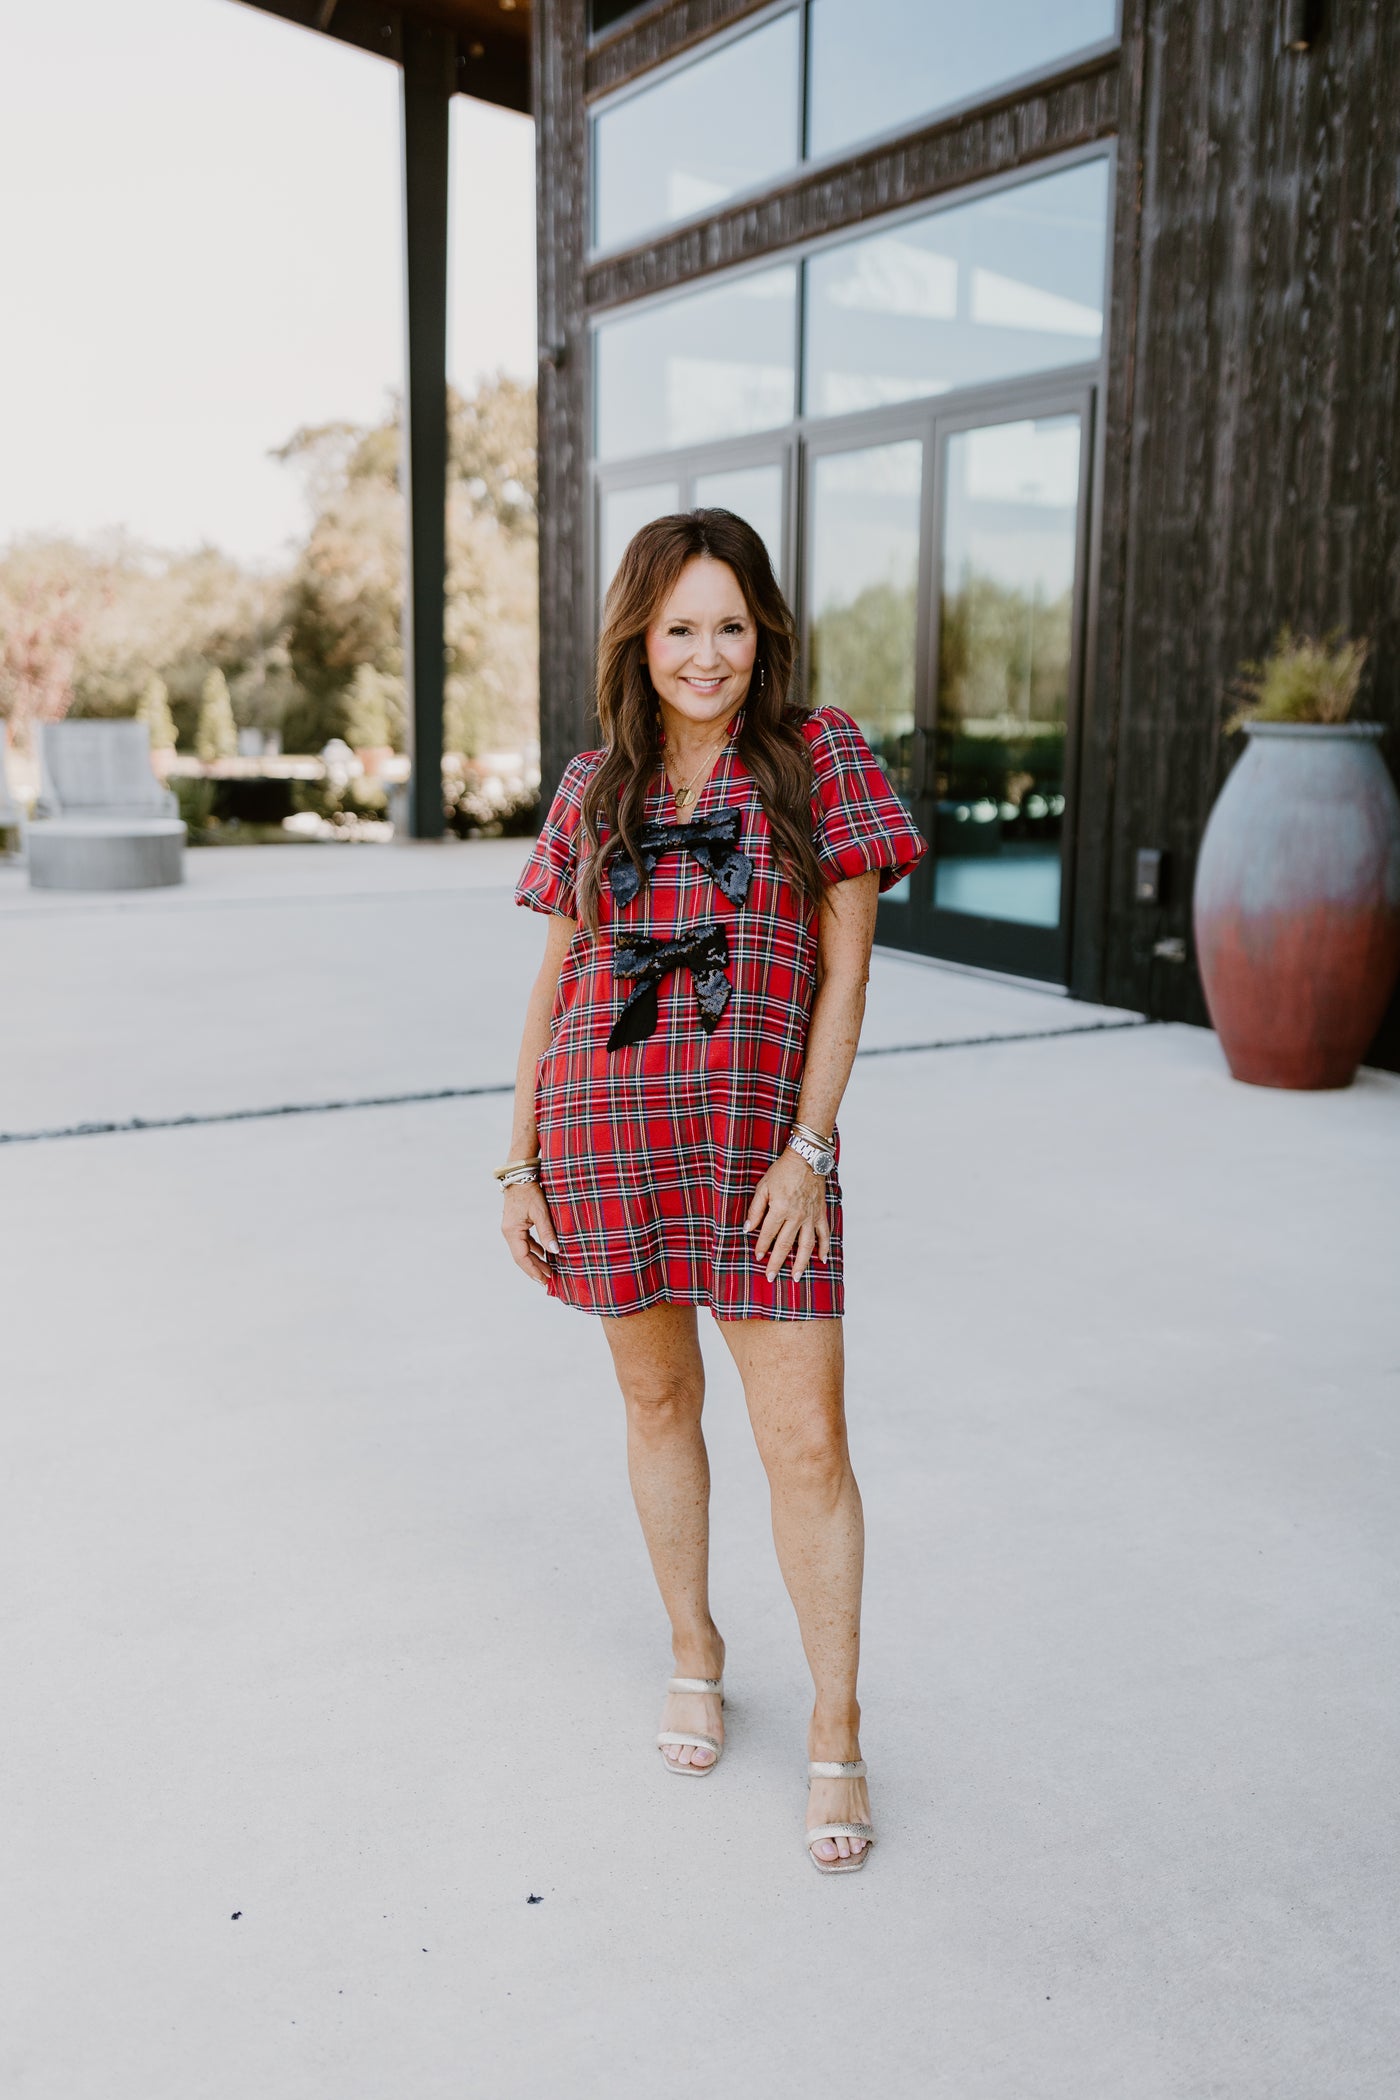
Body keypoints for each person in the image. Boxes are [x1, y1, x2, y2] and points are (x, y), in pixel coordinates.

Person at [499, 510, 926, 1874]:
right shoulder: (595, 784)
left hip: (764, 1168)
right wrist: (518, 1160)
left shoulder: (819, 759)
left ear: (766, 635)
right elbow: (556, 981)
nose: (706, 653)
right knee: (655, 1401)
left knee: (807, 1447)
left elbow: (849, 973)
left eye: (730, 626)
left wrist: (812, 1145)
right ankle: (694, 1648)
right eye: (680, 627)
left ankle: (838, 1728)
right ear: (640, 636)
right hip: (605, 1140)